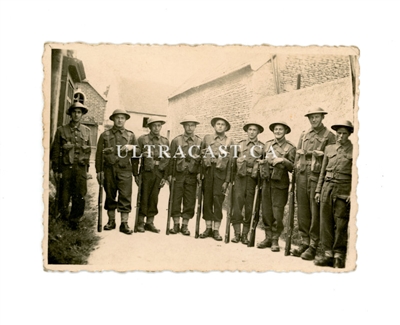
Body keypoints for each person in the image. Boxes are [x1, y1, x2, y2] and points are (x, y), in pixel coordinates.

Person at [291, 108, 336, 260]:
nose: (314, 120)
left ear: (322, 117)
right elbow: (297, 155)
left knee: (315, 211)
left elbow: (333, 158)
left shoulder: (329, 135)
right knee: (303, 210)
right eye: (311, 118)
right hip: (302, 175)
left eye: (316, 117)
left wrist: (323, 156)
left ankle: (313, 245)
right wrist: (296, 175)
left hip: (317, 177)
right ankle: (304, 241)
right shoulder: (304, 134)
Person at [314, 120, 354, 268]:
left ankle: (338, 255)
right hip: (327, 188)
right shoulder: (329, 149)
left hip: (343, 190)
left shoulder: (354, 150)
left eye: (344, 133)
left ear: (349, 134)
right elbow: (322, 172)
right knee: (326, 222)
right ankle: (328, 254)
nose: (340, 136)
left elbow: (357, 174)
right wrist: (318, 190)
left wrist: (352, 193)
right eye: (338, 133)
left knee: (341, 222)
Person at [95, 109, 138, 235]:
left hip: (125, 170)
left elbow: (138, 154)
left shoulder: (131, 135)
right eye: (117, 117)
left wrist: (133, 147)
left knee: (125, 195)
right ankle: (111, 221)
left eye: (122, 118)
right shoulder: (105, 135)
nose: (120, 120)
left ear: (125, 120)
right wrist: (99, 171)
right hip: (109, 170)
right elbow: (98, 155)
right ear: (113, 119)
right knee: (110, 195)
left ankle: (124, 223)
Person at [51, 102, 91, 229]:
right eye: (74, 112)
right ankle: (62, 217)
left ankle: (74, 220)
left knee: (80, 194)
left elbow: (88, 151)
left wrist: (87, 169)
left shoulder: (86, 131)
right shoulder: (61, 130)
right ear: (70, 114)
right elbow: (56, 151)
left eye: (79, 112)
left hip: (80, 168)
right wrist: (56, 169)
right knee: (64, 194)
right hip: (66, 167)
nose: (76, 114)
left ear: (82, 114)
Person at [258, 121, 296, 252]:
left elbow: (293, 168)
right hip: (267, 182)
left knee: (277, 212)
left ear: (285, 131)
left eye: (280, 129)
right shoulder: (267, 144)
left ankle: (275, 239)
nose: (278, 131)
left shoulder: (290, 147)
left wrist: (283, 161)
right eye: (276, 129)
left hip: (280, 184)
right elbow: (261, 159)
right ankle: (267, 237)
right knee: (266, 211)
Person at [199, 116, 234, 241]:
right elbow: (201, 155)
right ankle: (208, 227)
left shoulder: (229, 141)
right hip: (208, 172)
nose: (220, 126)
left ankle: (216, 230)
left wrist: (227, 180)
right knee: (207, 199)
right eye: (218, 124)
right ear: (214, 126)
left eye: (222, 125)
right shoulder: (207, 138)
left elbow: (231, 163)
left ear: (226, 128)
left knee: (218, 200)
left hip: (221, 174)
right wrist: (200, 173)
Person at [167, 115, 202, 236]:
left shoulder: (199, 142)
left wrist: (199, 174)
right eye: (187, 125)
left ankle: (185, 225)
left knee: (189, 200)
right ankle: (176, 224)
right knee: (175, 199)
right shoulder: (176, 141)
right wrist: (170, 175)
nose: (190, 127)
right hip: (178, 174)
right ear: (183, 126)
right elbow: (171, 159)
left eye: (192, 125)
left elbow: (202, 160)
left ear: (195, 127)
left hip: (191, 175)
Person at [231, 122, 264, 244]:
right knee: (237, 205)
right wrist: (231, 180)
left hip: (253, 180)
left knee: (250, 207)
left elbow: (263, 164)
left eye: (254, 130)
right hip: (239, 178)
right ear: (247, 131)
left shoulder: (262, 147)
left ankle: (245, 234)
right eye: (250, 129)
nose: (252, 132)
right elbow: (232, 163)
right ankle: (237, 233)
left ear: (258, 132)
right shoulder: (239, 145)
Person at [136, 117, 170, 233]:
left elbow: (167, 159)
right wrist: (136, 174)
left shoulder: (165, 141)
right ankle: (140, 222)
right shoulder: (142, 139)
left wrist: (165, 177)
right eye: (154, 125)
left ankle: (150, 222)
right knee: (144, 196)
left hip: (159, 172)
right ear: (149, 127)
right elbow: (136, 157)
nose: (156, 128)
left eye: (159, 125)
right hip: (146, 171)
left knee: (154, 197)